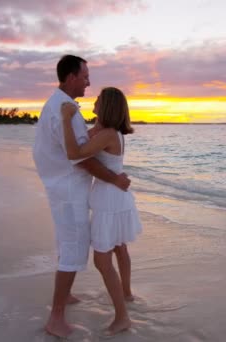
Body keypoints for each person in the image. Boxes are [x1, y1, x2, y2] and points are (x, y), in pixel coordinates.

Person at [32, 55, 131, 338]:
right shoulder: (67, 111)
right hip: (69, 188)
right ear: (71, 77)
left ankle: (69, 296)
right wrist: (115, 178)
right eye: (86, 76)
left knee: (71, 244)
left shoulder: (59, 105)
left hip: (63, 186)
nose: (89, 82)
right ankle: (57, 317)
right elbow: (78, 157)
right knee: (75, 247)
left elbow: (78, 148)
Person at [60, 87, 142, 335]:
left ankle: (122, 317)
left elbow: (74, 153)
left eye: (98, 99)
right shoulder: (109, 131)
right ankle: (126, 294)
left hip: (109, 202)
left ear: (106, 105)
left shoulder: (106, 134)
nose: (93, 101)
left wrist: (65, 119)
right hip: (117, 198)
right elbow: (86, 142)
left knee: (102, 259)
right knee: (120, 247)